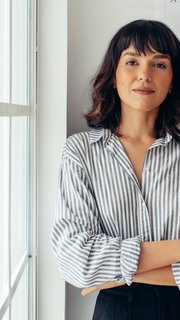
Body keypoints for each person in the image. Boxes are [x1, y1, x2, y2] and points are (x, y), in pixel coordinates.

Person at [51, 19, 180, 320]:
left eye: (159, 64)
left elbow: (92, 271)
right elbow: (75, 260)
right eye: (132, 61)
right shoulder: (80, 152)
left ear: (173, 79)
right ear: (113, 75)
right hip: (117, 312)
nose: (144, 75)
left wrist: (117, 274)